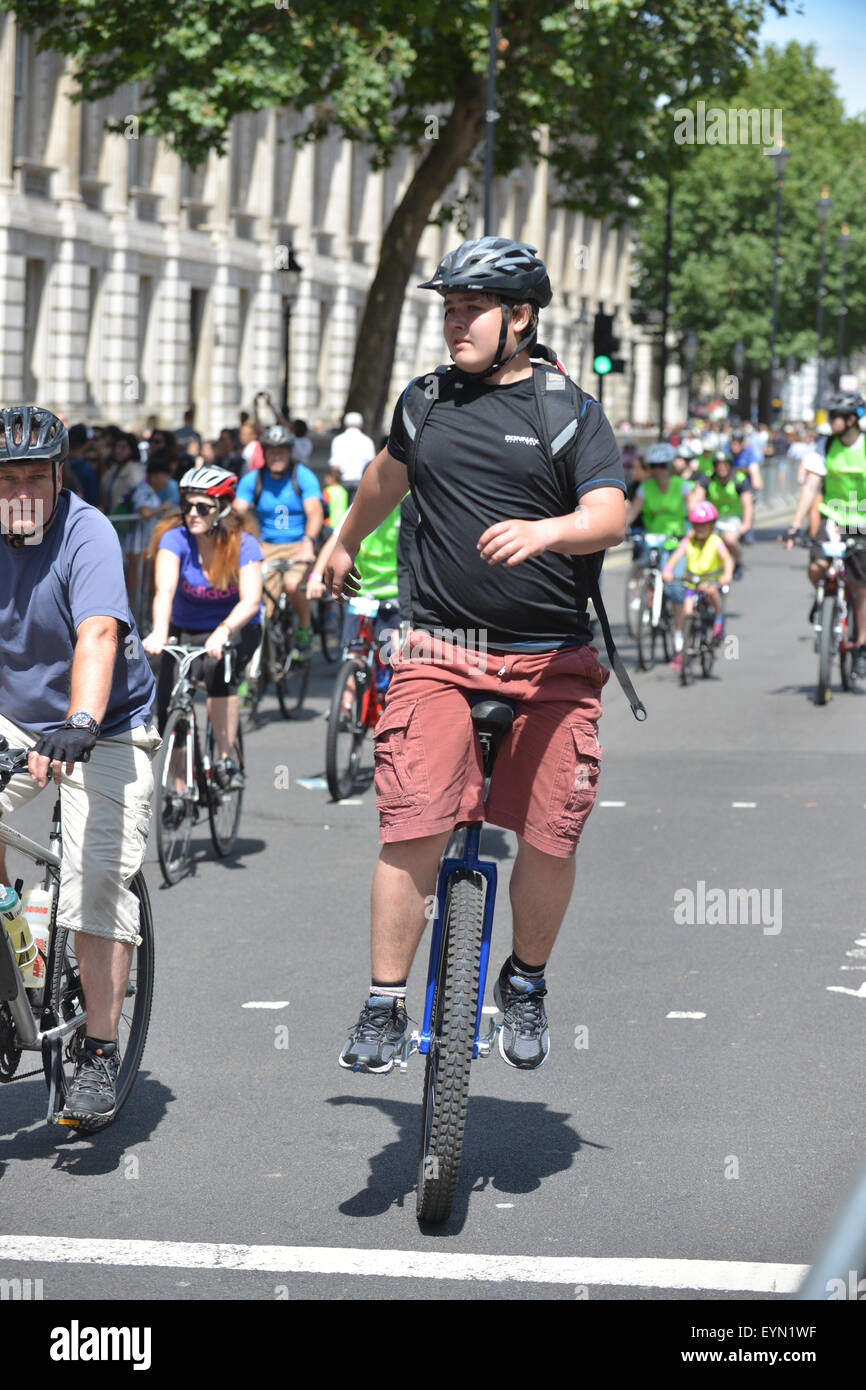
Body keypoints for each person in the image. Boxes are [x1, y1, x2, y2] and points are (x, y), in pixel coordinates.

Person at [324, 236, 626, 1074]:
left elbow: (609, 515)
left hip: (550, 663)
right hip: (439, 651)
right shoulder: (424, 402)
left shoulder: (567, 411)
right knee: (412, 819)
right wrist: (344, 541)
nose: (454, 324)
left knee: (553, 830)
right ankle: (384, 1003)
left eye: (471, 310)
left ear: (520, 319)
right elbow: (389, 476)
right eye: (448, 308)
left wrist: (548, 532)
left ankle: (525, 981)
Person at [0, 406, 160, 1122]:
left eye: (37, 474)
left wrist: (82, 720)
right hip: (14, 716)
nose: (23, 489)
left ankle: (97, 1050)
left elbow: (96, 632)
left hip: (103, 722)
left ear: (62, 475)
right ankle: (13, 954)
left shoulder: (86, 531)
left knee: (96, 880)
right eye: (9, 478)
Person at [144, 466, 263, 798]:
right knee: (169, 701)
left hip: (236, 626)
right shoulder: (173, 537)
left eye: (202, 507)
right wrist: (159, 632)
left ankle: (226, 758)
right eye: (187, 505)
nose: (192, 514)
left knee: (217, 668)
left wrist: (223, 631)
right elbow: (164, 591)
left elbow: (252, 601)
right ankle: (180, 787)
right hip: (184, 626)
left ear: (223, 507)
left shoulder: (244, 542)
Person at [782, 390, 866, 675]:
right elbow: (810, 488)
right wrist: (794, 526)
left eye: (835, 416)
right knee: (817, 567)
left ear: (853, 419)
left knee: (860, 587)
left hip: (862, 521)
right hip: (833, 519)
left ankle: (861, 644)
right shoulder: (826, 445)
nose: (830, 420)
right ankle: (824, 600)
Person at [233, 423, 324, 664]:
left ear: (290, 451)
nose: (277, 456)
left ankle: (305, 629)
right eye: (272, 451)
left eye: (282, 450)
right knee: (260, 604)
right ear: (264, 452)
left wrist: (307, 541)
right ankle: (256, 666)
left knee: (292, 585)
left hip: (298, 543)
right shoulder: (253, 479)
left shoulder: (302, 475)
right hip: (266, 547)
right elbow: (238, 512)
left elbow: (314, 511)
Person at [625, 442, 692, 663]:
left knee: (674, 588)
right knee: (643, 567)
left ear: (670, 466)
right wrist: (618, 529)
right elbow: (632, 512)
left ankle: (679, 634)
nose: (658, 471)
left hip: (675, 542)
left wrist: (692, 534)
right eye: (654, 466)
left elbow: (692, 513)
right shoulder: (646, 488)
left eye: (663, 466)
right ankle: (645, 599)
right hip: (652, 539)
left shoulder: (682, 486)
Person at [662, 502, 734, 659]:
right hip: (692, 583)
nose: (700, 529)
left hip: (712, 582)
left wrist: (727, 575)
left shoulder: (716, 541)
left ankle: (719, 616)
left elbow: (727, 559)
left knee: (711, 591)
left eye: (704, 525)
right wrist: (667, 570)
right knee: (687, 611)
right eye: (696, 525)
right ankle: (685, 645)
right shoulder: (689, 541)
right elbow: (676, 556)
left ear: (712, 525)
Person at [691, 448, 753, 578]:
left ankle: (738, 562)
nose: (722, 468)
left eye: (725, 465)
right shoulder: (708, 479)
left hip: (733, 519)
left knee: (729, 539)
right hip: (713, 519)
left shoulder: (739, 479)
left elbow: (748, 504)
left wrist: (746, 524)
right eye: (718, 465)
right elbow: (697, 499)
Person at [329, 411, 376, 502]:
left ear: (345, 424)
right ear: (361, 425)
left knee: (341, 512)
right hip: (361, 482)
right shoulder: (367, 441)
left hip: (342, 482)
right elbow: (371, 464)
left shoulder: (338, 440)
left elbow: (334, 465)